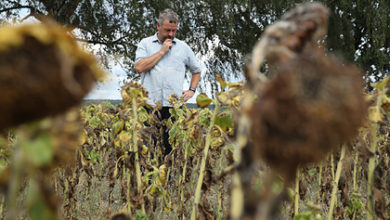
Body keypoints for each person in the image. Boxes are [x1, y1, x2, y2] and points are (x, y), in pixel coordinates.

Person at [135, 9, 203, 156]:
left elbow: (196, 71)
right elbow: (139, 67)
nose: (171, 34)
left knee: (171, 150)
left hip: (173, 107)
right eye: (167, 30)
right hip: (150, 106)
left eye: (174, 31)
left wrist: (192, 90)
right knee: (148, 149)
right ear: (158, 26)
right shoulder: (145, 44)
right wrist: (162, 51)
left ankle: (169, 179)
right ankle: (147, 180)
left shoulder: (184, 47)